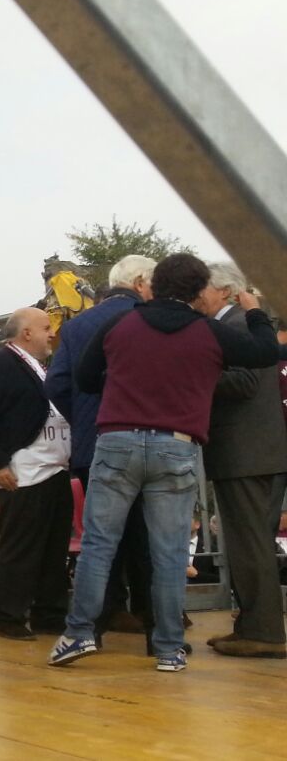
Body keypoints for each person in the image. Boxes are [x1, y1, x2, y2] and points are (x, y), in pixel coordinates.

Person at [50, 254, 279, 673]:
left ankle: (79, 633)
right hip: (175, 445)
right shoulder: (207, 330)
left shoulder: (119, 323)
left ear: (153, 284)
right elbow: (265, 353)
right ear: (197, 289)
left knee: (99, 544)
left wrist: (121, 383)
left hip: (117, 440)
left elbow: (82, 378)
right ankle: (169, 648)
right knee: (170, 552)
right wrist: (254, 312)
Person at [45, 255, 157, 637]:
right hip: (147, 439)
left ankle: (104, 614)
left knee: (101, 536)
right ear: (140, 282)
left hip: (92, 444)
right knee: (148, 533)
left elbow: (57, 383)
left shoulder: (78, 325)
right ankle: (154, 614)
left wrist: (84, 419)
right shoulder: (150, 319)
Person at [193, 263, 287, 659]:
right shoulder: (240, 323)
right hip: (252, 452)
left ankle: (264, 632)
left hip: (245, 453)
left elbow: (245, 383)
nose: (196, 296)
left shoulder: (236, 326)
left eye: (202, 288)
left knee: (251, 544)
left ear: (225, 291)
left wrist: (190, 372)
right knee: (250, 543)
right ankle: (251, 626)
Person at [0, 307, 72, 641]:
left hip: (56, 468)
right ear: (26, 333)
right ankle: (11, 617)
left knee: (55, 549)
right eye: (45, 328)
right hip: (24, 471)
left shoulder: (41, 368)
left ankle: (50, 614)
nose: (52, 334)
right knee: (21, 547)